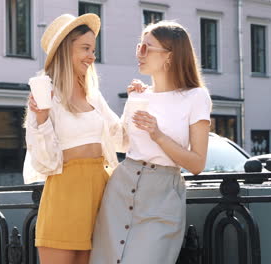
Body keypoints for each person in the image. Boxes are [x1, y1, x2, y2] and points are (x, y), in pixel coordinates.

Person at [89, 21, 212, 264]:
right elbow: (123, 144)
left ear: (170, 56)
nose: (139, 54)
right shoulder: (138, 95)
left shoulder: (196, 97)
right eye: (139, 47)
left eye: (147, 48)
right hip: (121, 188)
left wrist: (158, 135)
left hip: (163, 195)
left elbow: (197, 164)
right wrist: (91, 98)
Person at [23, 13, 129, 263]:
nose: (92, 56)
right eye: (85, 48)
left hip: (103, 193)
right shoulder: (45, 96)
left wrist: (135, 100)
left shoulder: (93, 95)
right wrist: (41, 119)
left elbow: (123, 140)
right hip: (65, 194)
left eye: (93, 49)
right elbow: (45, 163)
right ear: (63, 51)